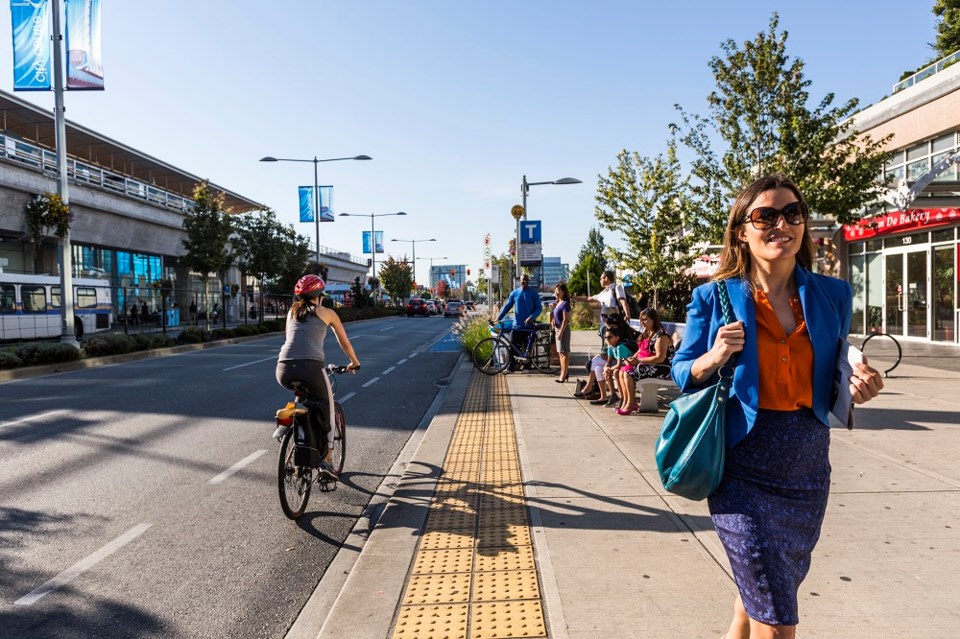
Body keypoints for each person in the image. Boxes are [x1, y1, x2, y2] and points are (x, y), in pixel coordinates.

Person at [671, 174, 883, 639]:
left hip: (806, 463)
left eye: (792, 214)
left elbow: (836, 354)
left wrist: (859, 378)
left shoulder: (832, 295)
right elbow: (681, 370)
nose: (780, 224)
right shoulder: (714, 297)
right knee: (778, 620)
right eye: (765, 216)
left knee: (764, 592)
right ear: (741, 231)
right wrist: (714, 355)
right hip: (741, 462)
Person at [275, 275, 361, 479]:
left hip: (283, 369)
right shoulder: (327, 312)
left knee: (301, 399)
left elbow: (291, 339)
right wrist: (354, 362)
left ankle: (295, 434)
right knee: (329, 409)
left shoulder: (291, 312)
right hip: (311, 368)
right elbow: (345, 343)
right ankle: (327, 461)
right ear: (319, 296)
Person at [617, 308, 673, 415]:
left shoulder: (661, 336)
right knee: (622, 370)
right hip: (650, 365)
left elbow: (660, 358)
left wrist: (638, 361)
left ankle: (631, 403)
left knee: (629, 373)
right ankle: (626, 401)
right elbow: (640, 350)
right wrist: (632, 359)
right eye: (641, 320)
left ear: (654, 320)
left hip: (662, 368)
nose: (642, 322)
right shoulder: (647, 333)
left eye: (645, 320)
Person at [496, 273, 542, 364]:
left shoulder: (534, 294)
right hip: (517, 326)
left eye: (526, 279)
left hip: (529, 326)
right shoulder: (514, 293)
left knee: (528, 350)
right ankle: (512, 366)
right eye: (523, 280)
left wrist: (532, 317)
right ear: (520, 281)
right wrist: (499, 316)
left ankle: (527, 367)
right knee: (513, 348)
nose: (524, 281)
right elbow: (507, 306)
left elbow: (539, 308)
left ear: (529, 281)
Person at [591, 270, 630, 346]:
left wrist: (627, 314)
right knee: (605, 346)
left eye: (600, 278)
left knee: (612, 345)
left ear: (606, 278)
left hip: (614, 324)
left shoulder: (616, 287)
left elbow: (623, 301)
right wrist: (573, 297)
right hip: (604, 324)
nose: (600, 280)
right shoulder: (603, 293)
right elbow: (589, 299)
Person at [552, 283, 572, 383]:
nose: (556, 292)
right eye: (556, 290)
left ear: (563, 292)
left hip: (563, 329)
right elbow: (557, 316)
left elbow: (566, 320)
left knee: (564, 353)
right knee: (560, 353)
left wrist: (561, 333)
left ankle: (564, 373)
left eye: (558, 290)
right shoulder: (558, 303)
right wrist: (553, 321)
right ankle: (563, 372)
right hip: (557, 328)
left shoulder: (565, 304)